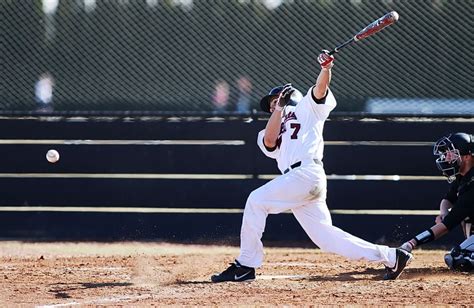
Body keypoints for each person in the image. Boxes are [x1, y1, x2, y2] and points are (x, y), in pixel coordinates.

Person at [211, 51, 412, 283]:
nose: (275, 104)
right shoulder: (270, 127)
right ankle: (391, 256)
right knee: (325, 239)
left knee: (256, 201)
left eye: (278, 99)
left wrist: (326, 69)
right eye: (272, 103)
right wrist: (278, 109)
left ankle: (246, 265)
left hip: (307, 173)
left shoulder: (307, 108)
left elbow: (319, 90)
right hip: (298, 181)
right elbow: (269, 140)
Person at [398, 132, 474, 272]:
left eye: (451, 153)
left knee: (459, 259)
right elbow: (448, 200)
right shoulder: (464, 176)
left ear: (467, 156)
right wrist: (444, 213)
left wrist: (411, 243)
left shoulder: (472, 183)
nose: (446, 157)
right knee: (457, 258)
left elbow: (447, 225)